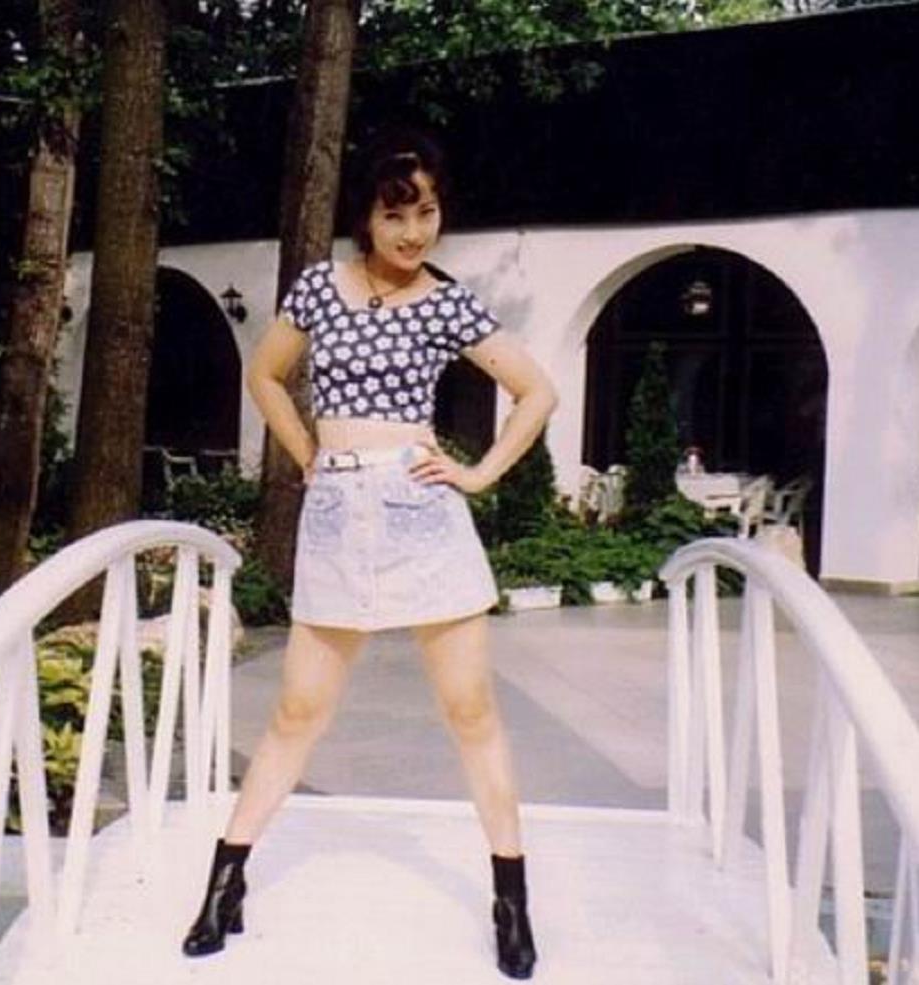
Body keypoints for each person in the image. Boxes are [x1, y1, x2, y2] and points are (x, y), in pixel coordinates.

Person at [181, 128, 558, 980]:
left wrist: (479, 473)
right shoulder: (320, 286)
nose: (414, 232)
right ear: (367, 215)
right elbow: (266, 375)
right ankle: (225, 882)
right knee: (297, 712)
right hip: (338, 513)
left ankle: (511, 900)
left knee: (471, 710)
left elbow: (537, 390)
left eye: (427, 212)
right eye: (396, 215)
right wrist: (307, 454)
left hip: (422, 512)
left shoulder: (446, 301)